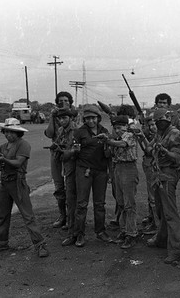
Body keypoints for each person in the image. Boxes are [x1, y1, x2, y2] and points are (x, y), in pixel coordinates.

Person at [0, 118, 49, 258]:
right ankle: (1, 242)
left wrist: (3, 160)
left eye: (12, 132)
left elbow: (18, 163)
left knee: (28, 216)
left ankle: (40, 244)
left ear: (18, 133)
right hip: (5, 183)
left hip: (17, 183)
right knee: (3, 215)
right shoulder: (3, 146)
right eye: (7, 131)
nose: (9, 134)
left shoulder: (23, 144)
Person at [145, 108, 180, 264]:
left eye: (161, 121)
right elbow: (148, 150)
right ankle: (162, 239)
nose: (159, 123)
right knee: (161, 209)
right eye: (156, 121)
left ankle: (176, 251)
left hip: (168, 175)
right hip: (158, 174)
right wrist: (146, 141)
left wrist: (164, 151)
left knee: (170, 213)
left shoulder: (174, 134)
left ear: (168, 120)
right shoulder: (160, 133)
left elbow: (176, 158)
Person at [72, 104, 112, 247]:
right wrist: (76, 149)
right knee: (82, 203)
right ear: (84, 119)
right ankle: (79, 234)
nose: (91, 121)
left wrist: (107, 143)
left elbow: (108, 155)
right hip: (84, 170)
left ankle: (100, 231)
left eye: (93, 118)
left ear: (98, 118)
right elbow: (74, 150)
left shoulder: (105, 131)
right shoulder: (79, 132)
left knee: (100, 204)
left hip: (101, 171)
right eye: (88, 118)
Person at [98, 115, 140, 249]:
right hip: (118, 168)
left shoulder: (129, 135)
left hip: (129, 168)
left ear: (126, 126)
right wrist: (106, 142)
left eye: (120, 127)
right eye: (115, 128)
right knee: (121, 202)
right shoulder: (115, 138)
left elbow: (122, 144)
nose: (118, 130)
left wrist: (108, 140)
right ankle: (124, 230)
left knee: (129, 204)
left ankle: (131, 233)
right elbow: (108, 154)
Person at [44, 91, 74, 229]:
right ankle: (62, 215)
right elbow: (50, 133)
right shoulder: (55, 116)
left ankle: (71, 217)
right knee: (58, 186)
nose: (63, 103)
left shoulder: (74, 115)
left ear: (70, 102)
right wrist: (52, 116)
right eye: (60, 101)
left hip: (69, 154)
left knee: (71, 186)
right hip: (56, 153)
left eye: (66, 101)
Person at [52, 108, 80, 247]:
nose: (62, 120)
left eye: (64, 118)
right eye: (60, 118)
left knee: (73, 199)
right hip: (67, 167)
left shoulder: (75, 130)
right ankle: (72, 226)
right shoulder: (61, 130)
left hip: (75, 167)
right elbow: (58, 142)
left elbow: (76, 150)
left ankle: (73, 232)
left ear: (70, 118)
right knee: (70, 199)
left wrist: (63, 152)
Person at [141, 114, 160, 235]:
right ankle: (153, 220)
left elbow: (149, 149)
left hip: (155, 165)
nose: (153, 127)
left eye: (154, 124)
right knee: (151, 195)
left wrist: (142, 137)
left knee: (154, 197)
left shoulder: (160, 136)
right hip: (148, 164)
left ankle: (157, 225)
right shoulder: (152, 135)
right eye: (150, 125)